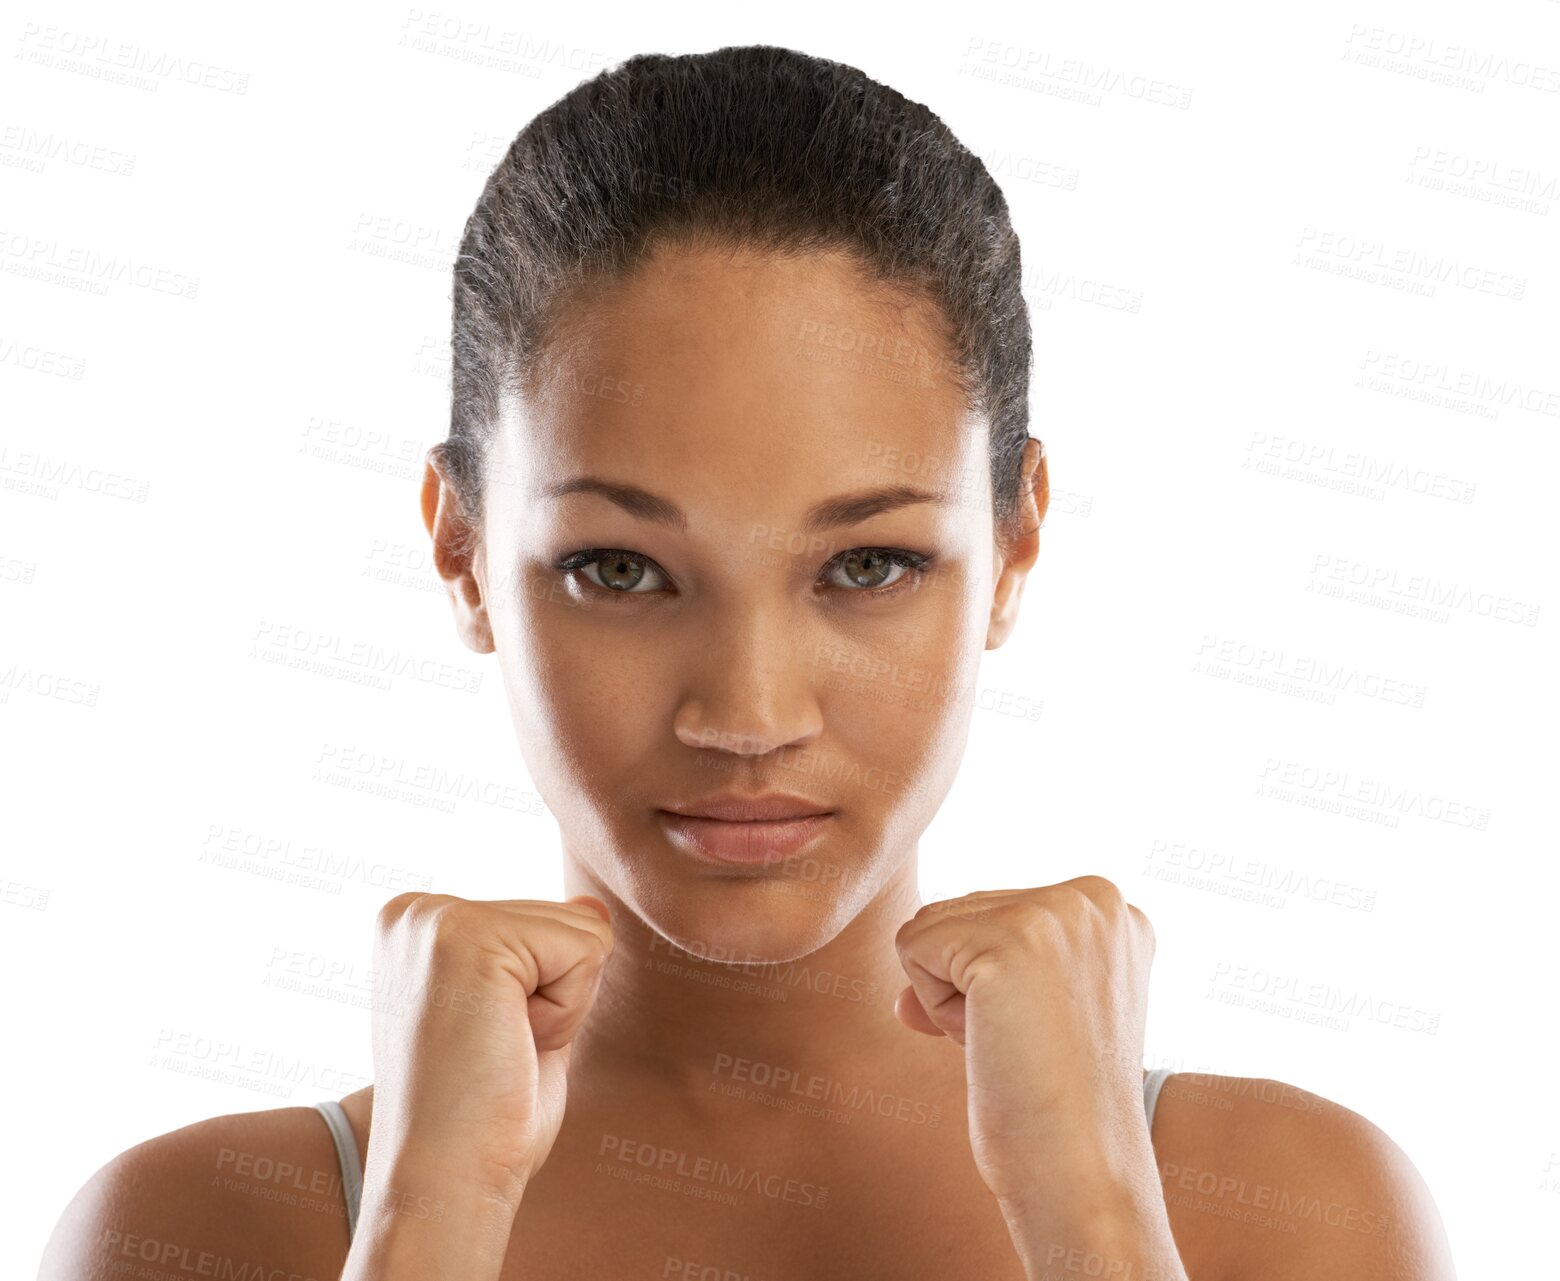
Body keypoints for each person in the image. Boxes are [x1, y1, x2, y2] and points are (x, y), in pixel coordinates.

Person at [40, 44, 1456, 1281]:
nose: (750, 714)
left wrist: (1091, 1211)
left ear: (1016, 544)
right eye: (621, 569)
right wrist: (425, 1219)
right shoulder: (209, 1230)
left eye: (868, 564)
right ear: (462, 551)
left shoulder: (1294, 1212)